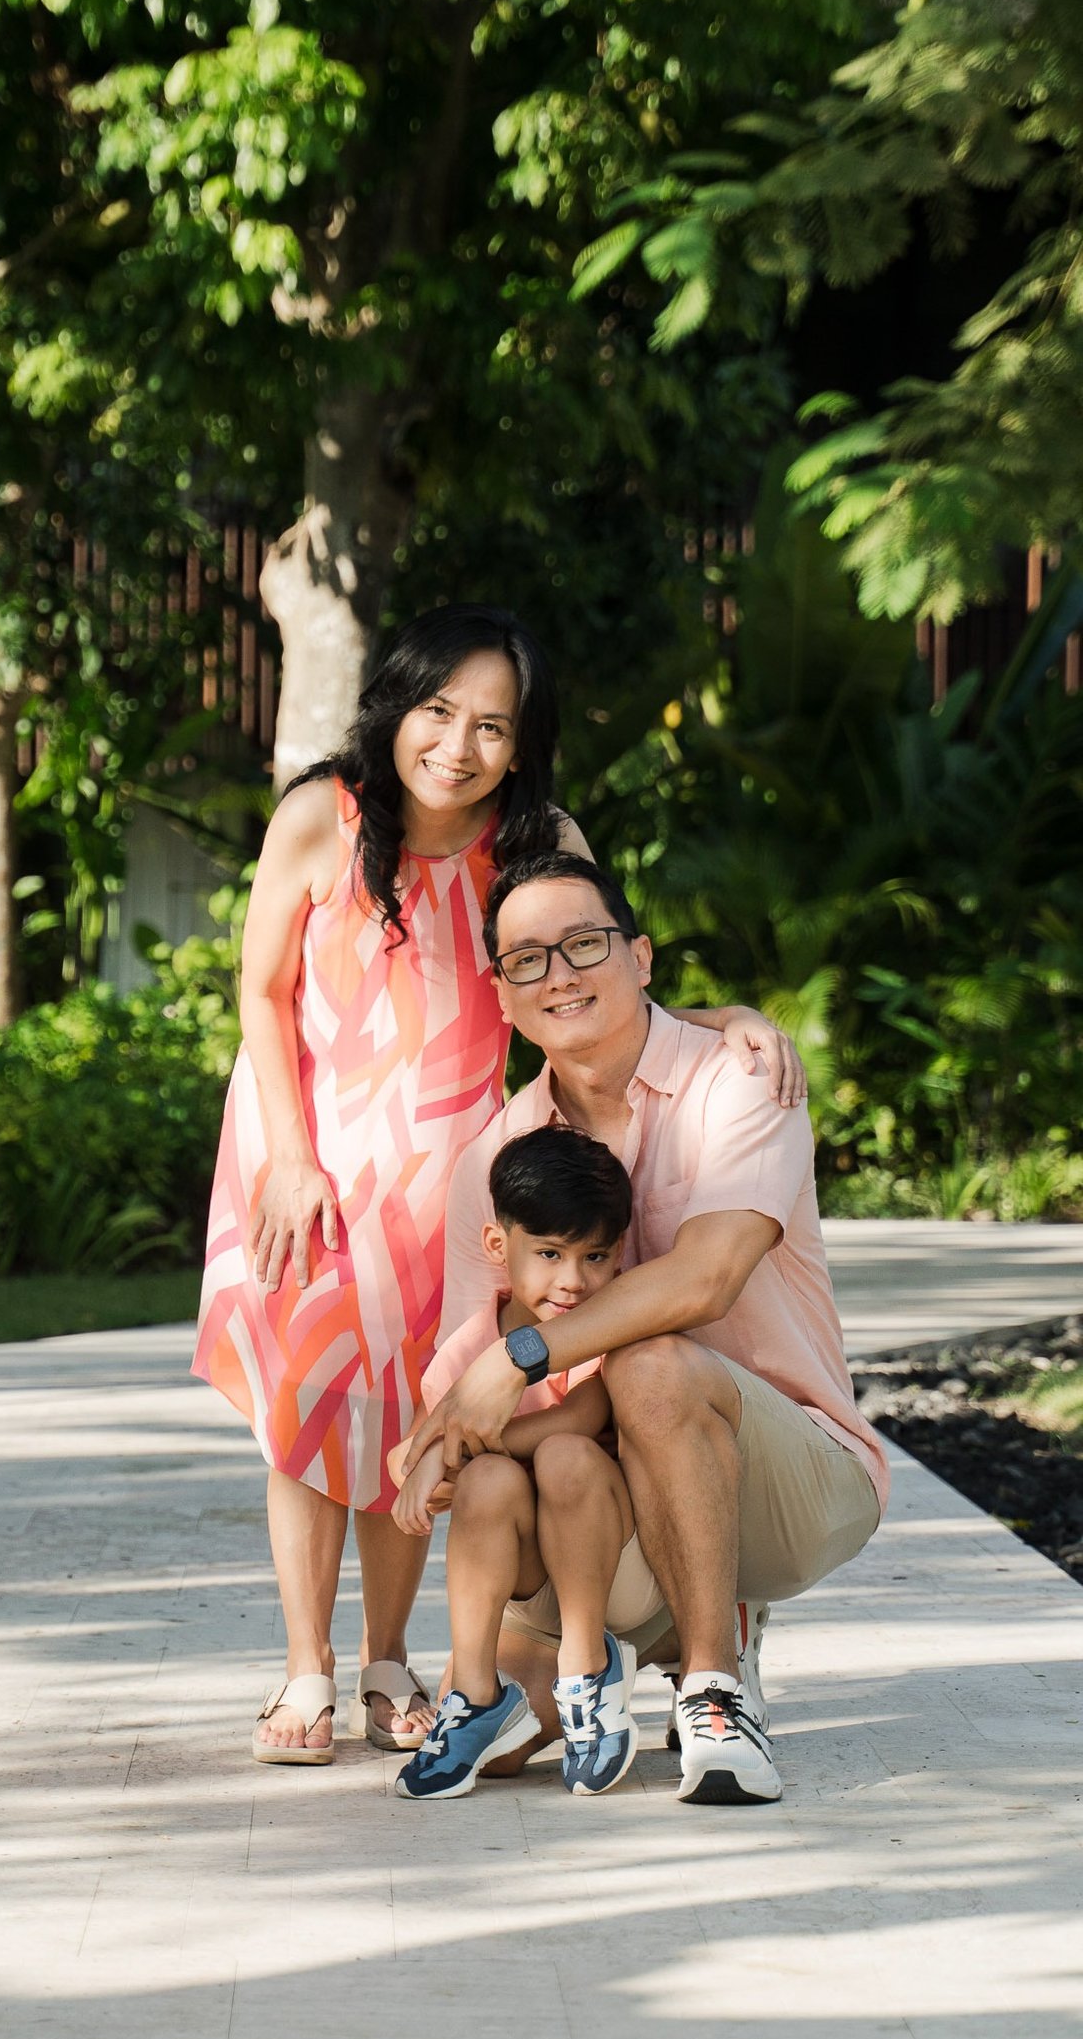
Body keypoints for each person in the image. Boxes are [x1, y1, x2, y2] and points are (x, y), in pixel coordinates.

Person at [192, 606, 802, 1765]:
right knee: (312, 1401)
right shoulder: (321, 815)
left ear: (522, 744)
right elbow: (261, 991)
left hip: (457, 1162)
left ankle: (386, 1664)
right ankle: (303, 1671)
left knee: (410, 1402)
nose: (458, 745)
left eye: (492, 725)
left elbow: (600, 968)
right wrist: (289, 1159)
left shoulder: (536, 835)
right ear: (397, 706)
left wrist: (724, 1016)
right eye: (438, 712)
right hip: (307, 1148)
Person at [401, 850, 888, 1804]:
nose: (559, 975)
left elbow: (706, 1280)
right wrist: (441, 1443)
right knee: (506, 1723)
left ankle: (712, 1684)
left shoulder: (741, 1080)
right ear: (502, 994)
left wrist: (520, 1358)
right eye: (527, 959)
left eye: (585, 944)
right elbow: (463, 1357)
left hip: (788, 1473)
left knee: (652, 1363)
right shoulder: (497, 1159)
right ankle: (625, 1647)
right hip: (597, 1485)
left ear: (642, 957)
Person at [390, 1125, 667, 1801]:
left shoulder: (609, 1330)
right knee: (487, 1479)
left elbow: (579, 1419)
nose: (573, 1280)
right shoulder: (469, 1350)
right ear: (498, 1245)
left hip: (620, 1563)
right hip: (532, 1581)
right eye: (549, 1253)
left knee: (564, 1455)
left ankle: (587, 1666)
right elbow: (412, 1457)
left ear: (620, 1253)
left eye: (596, 1256)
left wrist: (444, 1450)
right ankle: (479, 1697)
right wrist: (427, 1459)